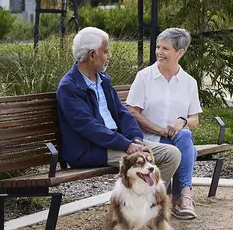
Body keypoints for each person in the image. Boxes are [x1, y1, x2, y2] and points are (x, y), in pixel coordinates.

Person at [56, 27, 181, 185]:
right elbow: (88, 127)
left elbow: (122, 114)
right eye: (106, 51)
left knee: (172, 154)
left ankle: (149, 202)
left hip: (118, 142)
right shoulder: (69, 87)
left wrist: (135, 138)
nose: (109, 56)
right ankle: (148, 203)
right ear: (92, 54)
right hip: (90, 150)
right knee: (141, 160)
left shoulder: (103, 80)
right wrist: (126, 144)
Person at [126, 28, 202, 220]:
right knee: (188, 149)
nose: (159, 52)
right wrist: (159, 129)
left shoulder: (189, 82)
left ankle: (182, 194)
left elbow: (194, 120)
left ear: (180, 52)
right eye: (158, 47)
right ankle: (181, 197)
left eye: (165, 48)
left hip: (178, 140)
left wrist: (182, 121)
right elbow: (132, 112)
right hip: (149, 140)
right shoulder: (144, 77)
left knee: (185, 135)